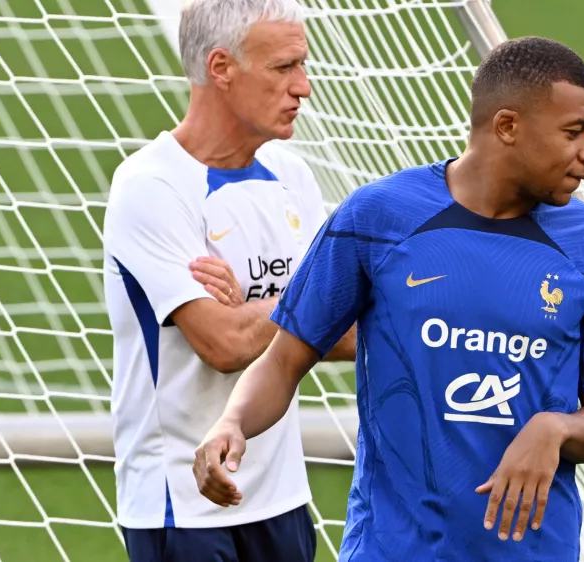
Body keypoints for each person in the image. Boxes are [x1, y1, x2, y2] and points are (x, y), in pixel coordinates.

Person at [192, 36, 584, 560]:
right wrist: (232, 423)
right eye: (574, 132)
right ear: (507, 126)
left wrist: (556, 428)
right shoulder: (378, 218)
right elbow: (284, 359)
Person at [101, 0, 354, 560]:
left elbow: (350, 331)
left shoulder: (293, 176)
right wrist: (302, 306)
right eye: (283, 67)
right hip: (182, 506)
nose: (304, 87)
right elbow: (225, 344)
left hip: (282, 499)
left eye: (302, 65)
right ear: (221, 67)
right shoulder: (150, 186)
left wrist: (254, 308)